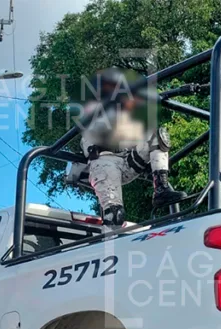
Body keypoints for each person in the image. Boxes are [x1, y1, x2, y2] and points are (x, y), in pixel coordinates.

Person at [81, 68, 189, 227]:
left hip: (127, 161)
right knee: (115, 214)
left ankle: (161, 188)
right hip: (105, 163)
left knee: (156, 135)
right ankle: (111, 234)